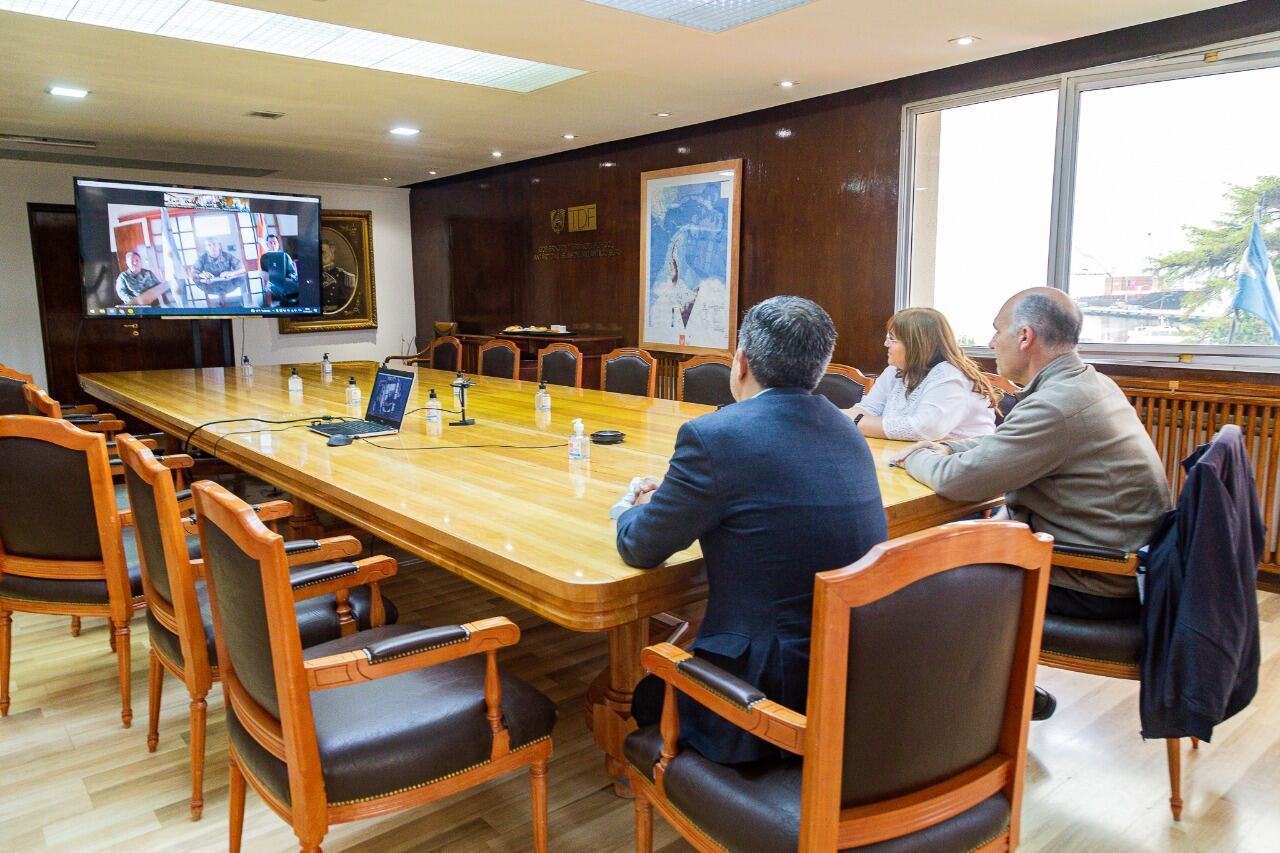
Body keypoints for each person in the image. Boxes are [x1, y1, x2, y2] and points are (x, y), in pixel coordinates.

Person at [615, 295, 888, 764]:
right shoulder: (846, 430)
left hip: (765, 699)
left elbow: (642, 547)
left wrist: (629, 507)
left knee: (646, 697)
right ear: (819, 368)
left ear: (740, 362)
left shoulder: (717, 435)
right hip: (851, 678)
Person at [891, 287, 1171, 719]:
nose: (990, 343)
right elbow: (1010, 443)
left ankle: (964, 710)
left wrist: (921, 456)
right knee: (954, 553)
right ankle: (1000, 691)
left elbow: (961, 482)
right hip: (1128, 563)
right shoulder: (1087, 383)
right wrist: (954, 446)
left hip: (1094, 579)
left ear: (1025, 337)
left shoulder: (1057, 405)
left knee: (920, 578)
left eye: (996, 331)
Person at [847, 307, 998, 441]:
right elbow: (869, 409)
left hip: (958, 463)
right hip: (910, 455)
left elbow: (924, 429)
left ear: (916, 345)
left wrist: (855, 421)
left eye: (892, 339)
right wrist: (836, 416)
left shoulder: (950, 374)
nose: (885, 344)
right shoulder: (894, 370)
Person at [191, 238, 248, 307]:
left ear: (219, 246)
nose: (212, 247)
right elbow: (193, 272)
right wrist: (201, 275)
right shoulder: (202, 259)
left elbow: (242, 269)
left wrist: (231, 273)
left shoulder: (227, 256)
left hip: (227, 280)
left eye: (214, 244)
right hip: (211, 283)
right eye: (209, 245)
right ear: (206, 248)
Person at [259, 233, 298, 306]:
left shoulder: (285, 256)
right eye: (270, 243)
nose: (273, 245)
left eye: (275, 242)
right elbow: (263, 273)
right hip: (273, 283)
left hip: (286, 281)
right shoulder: (264, 257)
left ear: (278, 244)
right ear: (267, 244)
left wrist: (289, 277)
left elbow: (292, 272)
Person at [320, 239, 357, 315]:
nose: (319, 255)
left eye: (323, 252)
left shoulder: (343, 275)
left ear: (331, 253)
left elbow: (346, 303)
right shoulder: (311, 275)